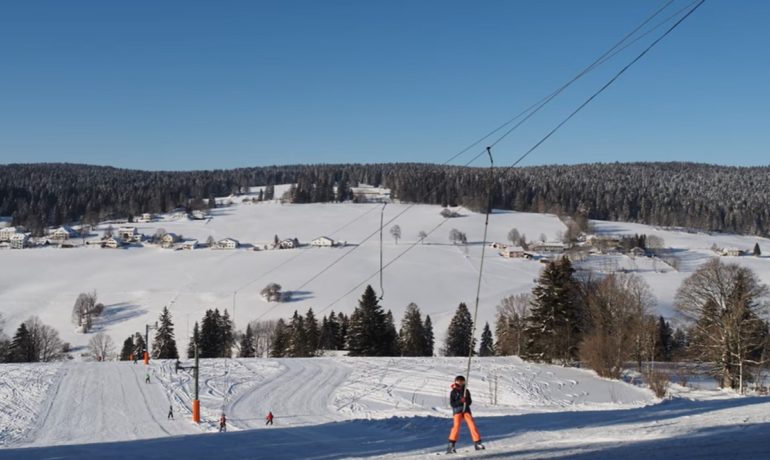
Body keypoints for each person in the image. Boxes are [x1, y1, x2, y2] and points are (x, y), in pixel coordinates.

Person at [447, 375, 484, 453]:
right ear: (455, 382)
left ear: (464, 382)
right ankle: (451, 446)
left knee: (472, 425)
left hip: (466, 410)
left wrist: (466, 400)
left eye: (462, 381)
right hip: (457, 411)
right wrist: (460, 401)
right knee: (456, 426)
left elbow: (469, 402)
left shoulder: (466, 391)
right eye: (458, 381)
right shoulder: (453, 392)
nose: (460, 383)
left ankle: (478, 443)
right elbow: (452, 404)